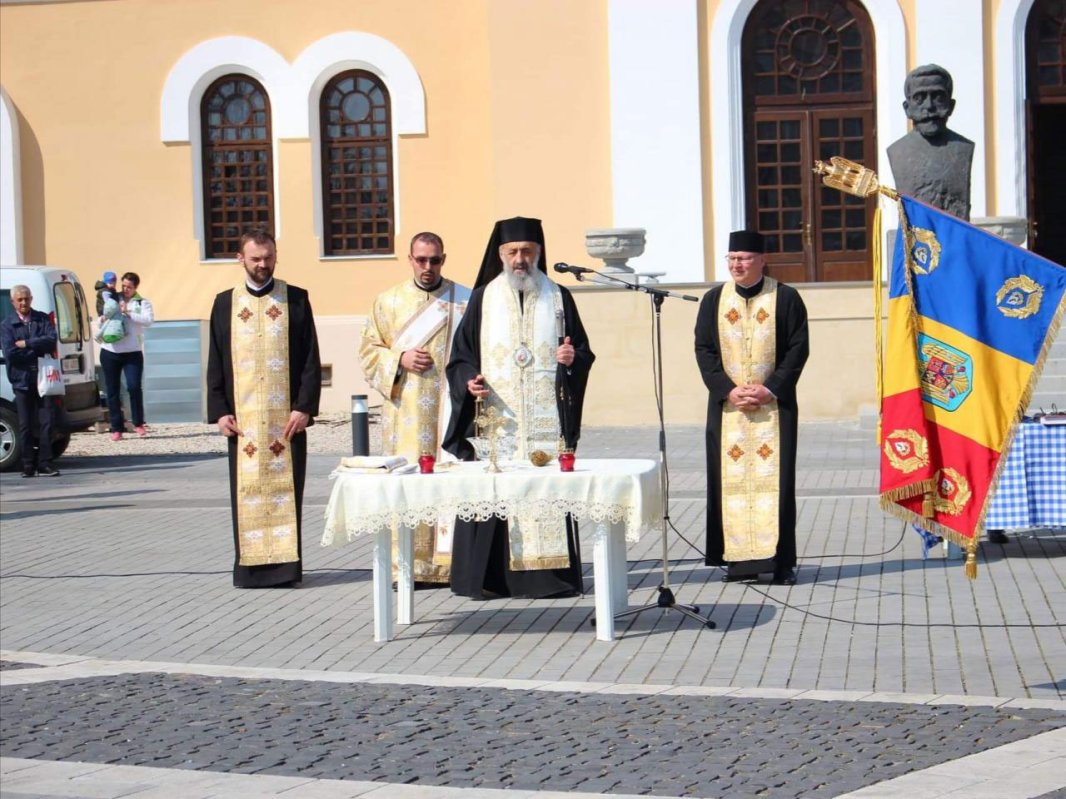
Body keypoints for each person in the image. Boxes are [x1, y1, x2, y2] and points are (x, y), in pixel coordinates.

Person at [442, 216, 595, 599]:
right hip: (498, 419)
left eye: (527, 251)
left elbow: (584, 353)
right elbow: (460, 357)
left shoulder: (559, 296)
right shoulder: (483, 298)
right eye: (513, 252)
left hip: (544, 421)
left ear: (539, 253)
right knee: (494, 488)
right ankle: (490, 578)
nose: (520, 259)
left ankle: (549, 579)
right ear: (500, 254)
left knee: (545, 491)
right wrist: (468, 381)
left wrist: (572, 357)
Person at [207, 228, 322, 588]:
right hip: (244, 424)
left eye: (268, 257)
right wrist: (219, 410)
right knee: (247, 493)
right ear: (240, 258)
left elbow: (310, 359)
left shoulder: (296, 299)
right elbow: (216, 357)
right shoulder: (225, 303)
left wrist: (304, 407)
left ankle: (287, 569)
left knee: (287, 492)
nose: (263, 264)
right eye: (255, 258)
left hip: (286, 423)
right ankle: (251, 569)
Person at [694, 230, 809, 585]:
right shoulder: (714, 300)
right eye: (731, 259)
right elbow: (704, 350)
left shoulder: (786, 298)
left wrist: (770, 389)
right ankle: (737, 561)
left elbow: (797, 349)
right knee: (728, 483)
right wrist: (727, 391)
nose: (736, 265)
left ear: (762, 259)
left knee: (775, 484)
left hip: (773, 410)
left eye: (743, 258)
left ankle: (779, 563)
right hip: (728, 411)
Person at [359, 231, 471, 585]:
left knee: (452, 483)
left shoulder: (465, 301)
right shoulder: (387, 302)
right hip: (405, 413)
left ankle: (453, 564)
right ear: (410, 259)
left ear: (443, 259)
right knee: (409, 484)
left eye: (434, 260)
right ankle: (407, 564)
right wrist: (399, 357)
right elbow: (368, 352)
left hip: (450, 413)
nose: (428, 267)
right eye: (421, 260)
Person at [887, 64, 974, 222]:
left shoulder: (964, 148)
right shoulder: (897, 152)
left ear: (951, 105)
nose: (929, 106)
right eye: (919, 98)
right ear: (907, 108)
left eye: (938, 97)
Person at [0, 285, 61, 477]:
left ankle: (45, 463)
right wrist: (36, 348)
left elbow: (51, 340)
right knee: (25, 424)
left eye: (26, 299)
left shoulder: (41, 319)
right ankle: (27, 464)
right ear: (13, 302)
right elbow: (10, 353)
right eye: (20, 300)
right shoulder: (6, 325)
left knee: (47, 422)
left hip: (43, 378)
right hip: (21, 379)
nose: (24, 303)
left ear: (31, 299)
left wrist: (27, 343)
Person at [98, 272, 154, 440]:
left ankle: (138, 423)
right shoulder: (113, 298)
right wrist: (104, 316)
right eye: (123, 286)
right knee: (112, 390)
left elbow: (148, 320)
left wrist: (128, 313)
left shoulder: (142, 302)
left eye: (129, 287)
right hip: (110, 350)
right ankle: (116, 428)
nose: (125, 290)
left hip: (132, 352)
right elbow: (103, 315)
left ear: (135, 287)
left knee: (134, 386)